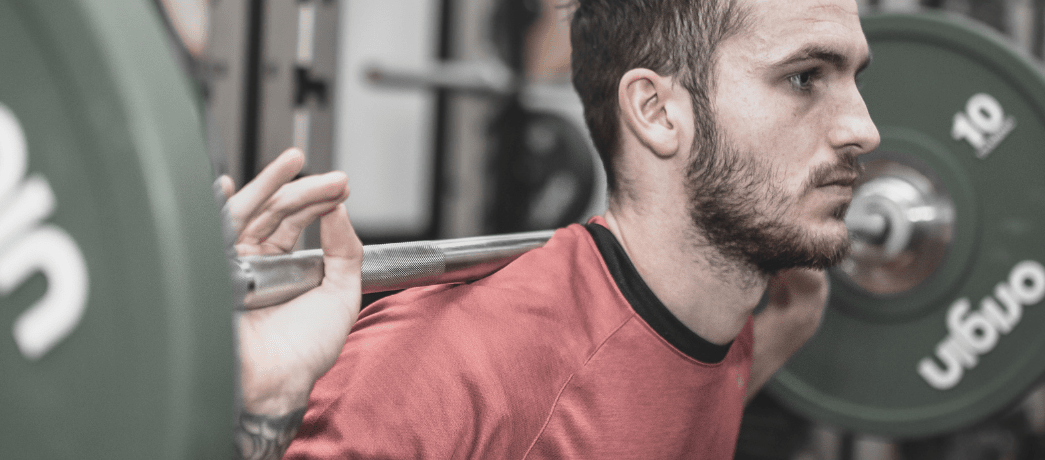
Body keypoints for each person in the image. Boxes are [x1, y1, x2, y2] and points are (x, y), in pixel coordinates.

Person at [225, 0, 875, 457]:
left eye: (853, 77)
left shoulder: (724, 329)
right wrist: (265, 408)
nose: (863, 128)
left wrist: (772, 338)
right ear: (657, 112)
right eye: (804, 78)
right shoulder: (454, 373)